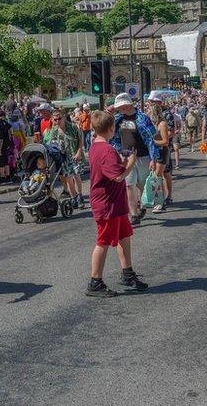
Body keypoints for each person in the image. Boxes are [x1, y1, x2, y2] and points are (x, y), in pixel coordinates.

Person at [85, 110, 147, 297]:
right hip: (107, 203)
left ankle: (127, 273)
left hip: (115, 203)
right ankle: (95, 282)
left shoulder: (97, 147)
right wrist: (130, 163)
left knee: (124, 236)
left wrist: (122, 160)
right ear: (112, 128)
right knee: (103, 242)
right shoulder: (106, 150)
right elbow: (118, 177)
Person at [111, 93, 160, 226]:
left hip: (143, 156)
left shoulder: (143, 118)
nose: (121, 109)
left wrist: (153, 158)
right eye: (119, 107)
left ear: (128, 105)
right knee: (129, 185)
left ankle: (142, 206)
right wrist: (119, 151)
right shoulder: (117, 120)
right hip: (126, 157)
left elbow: (152, 139)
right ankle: (133, 215)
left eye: (122, 106)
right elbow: (112, 137)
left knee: (143, 185)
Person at [44, 109, 84, 208]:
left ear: (64, 117)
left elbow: (81, 139)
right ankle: (73, 198)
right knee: (68, 179)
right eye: (55, 119)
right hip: (64, 157)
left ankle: (80, 197)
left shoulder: (73, 126)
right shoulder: (54, 130)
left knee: (76, 176)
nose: (58, 121)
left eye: (59, 118)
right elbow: (50, 144)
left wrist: (79, 152)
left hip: (75, 155)